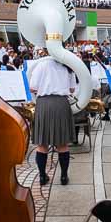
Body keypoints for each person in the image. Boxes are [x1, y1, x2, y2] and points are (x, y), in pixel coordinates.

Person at [30, 57, 76, 186]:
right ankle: (63, 176)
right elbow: (72, 90)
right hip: (61, 104)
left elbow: (32, 87)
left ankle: (42, 177)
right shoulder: (69, 65)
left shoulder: (42, 65)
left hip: (44, 104)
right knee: (62, 144)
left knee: (42, 144)